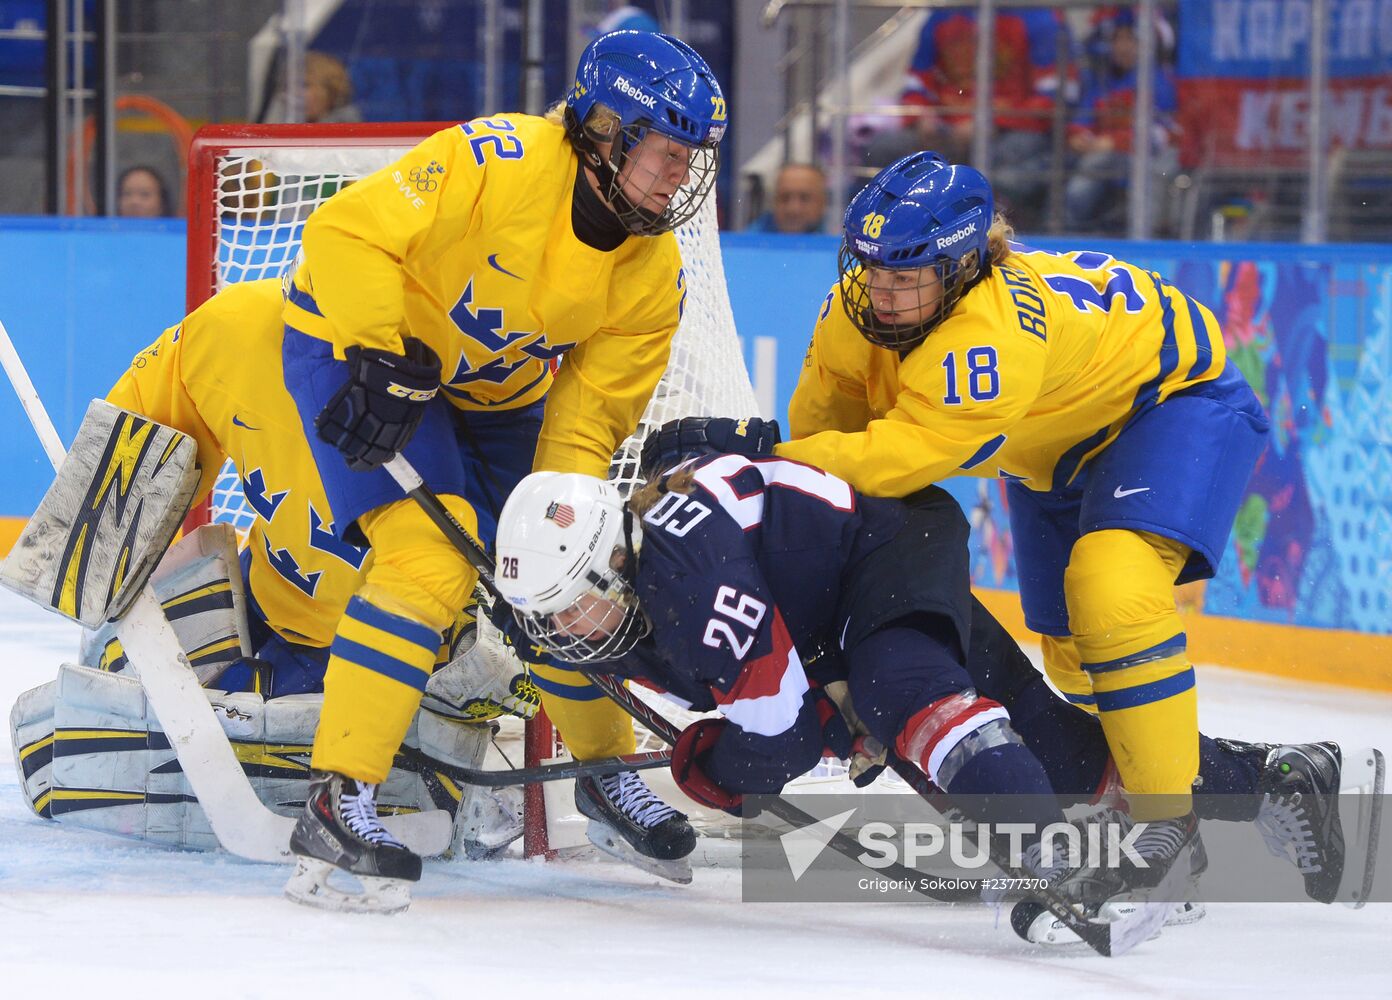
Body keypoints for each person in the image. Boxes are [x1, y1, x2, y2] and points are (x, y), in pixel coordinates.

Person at [652, 151, 1272, 891]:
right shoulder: (863, 309)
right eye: (871, 268)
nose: (880, 294)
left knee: (1112, 591)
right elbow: (821, 483)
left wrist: (760, 449)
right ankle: (1272, 780)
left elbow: (893, 460)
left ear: (962, 267)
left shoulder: (991, 338)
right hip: (1053, 453)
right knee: (1078, 660)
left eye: (905, 276)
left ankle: (1169, 830)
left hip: (1173, 405)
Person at [491, 461, 1365, 938]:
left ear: (613, 559)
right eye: (550, 614)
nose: (568, 627)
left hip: (889, 552)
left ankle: (1060, 856)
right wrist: (824, 713)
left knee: (900, 686)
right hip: (855, 592)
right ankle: (1280, 775)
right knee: (1064, 755)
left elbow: (782, 741)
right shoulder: (644, 583)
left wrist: (708, 769)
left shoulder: (684, 582)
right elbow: (790, 692)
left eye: (573, 601)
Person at [266, 28, 725, 910]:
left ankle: (601, 769)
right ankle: (339, 793)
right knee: (431, 560)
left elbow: (585, 425)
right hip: (361, 349)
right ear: (605, 131)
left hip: (491, 393)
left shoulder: (654, 272)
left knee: (571, 572)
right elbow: (346, 232)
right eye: (667, 150)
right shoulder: (502, 159)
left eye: (691, 156)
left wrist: (556, 537)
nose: (681, 176)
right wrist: (371, 346)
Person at [899, 7, 1070, 228]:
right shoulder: (941, 17)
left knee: (1005, 163)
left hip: (1013, 130)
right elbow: (916, 82)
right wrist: (921, 116)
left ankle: (1001, 229)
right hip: (948, 126)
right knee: (890, 148)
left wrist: (994, 122)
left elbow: (1052, 96)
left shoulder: (1040, 18)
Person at [1065, 7, 1180, 233]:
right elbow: (1081, 121)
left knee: (1093, 168)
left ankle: (1078, 230)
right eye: (1118, 39)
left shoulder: (1160, 80)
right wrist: (1080, 138)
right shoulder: (1102, 81)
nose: (1122, 47)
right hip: (1102, 158)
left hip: (1145, 159)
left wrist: (1114, 142)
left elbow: (1166, 134)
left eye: (1131, 39)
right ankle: (1074, 237)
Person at [746, 163, 829, 234]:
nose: (793, 209)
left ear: (822, 203)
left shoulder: (836, 241)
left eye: (804, 198)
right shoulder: (749, 244)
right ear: (774, 202)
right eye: (784, 198)